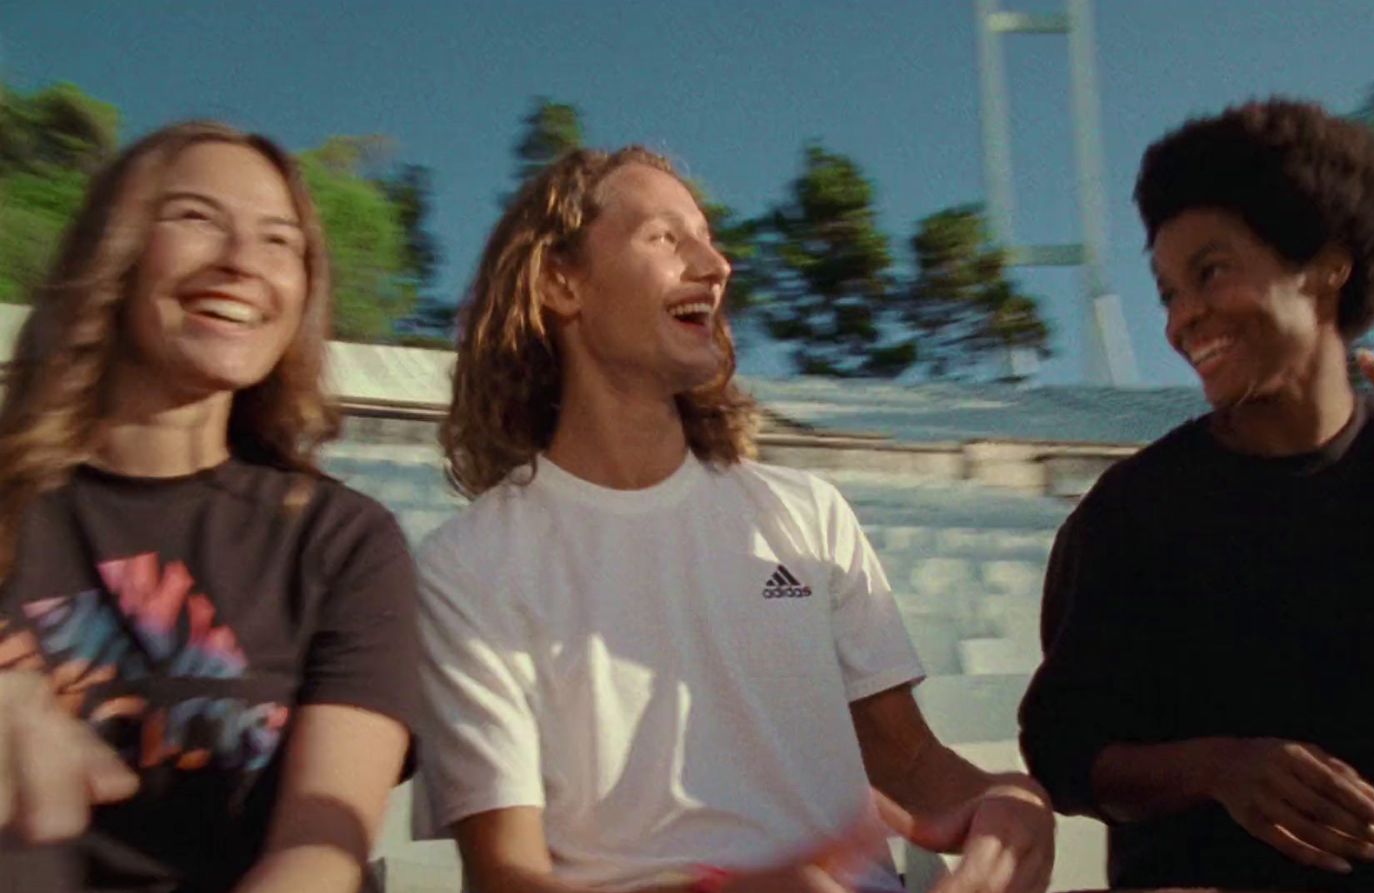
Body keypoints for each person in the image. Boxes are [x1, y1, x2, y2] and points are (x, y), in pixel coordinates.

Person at [412, 146, 1056, 893]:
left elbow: (913, 764)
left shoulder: (806, 513)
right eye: (666, 237)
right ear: (561, 281)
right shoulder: (470, 563)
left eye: (711, 239)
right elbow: (506, 879)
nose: (716, 265)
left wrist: (1007, 800)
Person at [1017, 97, 1374, 892]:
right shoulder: (1135, 509)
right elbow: (1064, 751)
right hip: (1198, 881)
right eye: (1167, 291)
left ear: (1328, 266)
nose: (1184, 317)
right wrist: (1217, 768)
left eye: (1210, 272)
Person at [0, 121, 418, 893]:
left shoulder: (342, 541)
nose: (239, 263)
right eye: (195, 217)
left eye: (278, 241)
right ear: (115, 253)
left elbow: (323, 846)